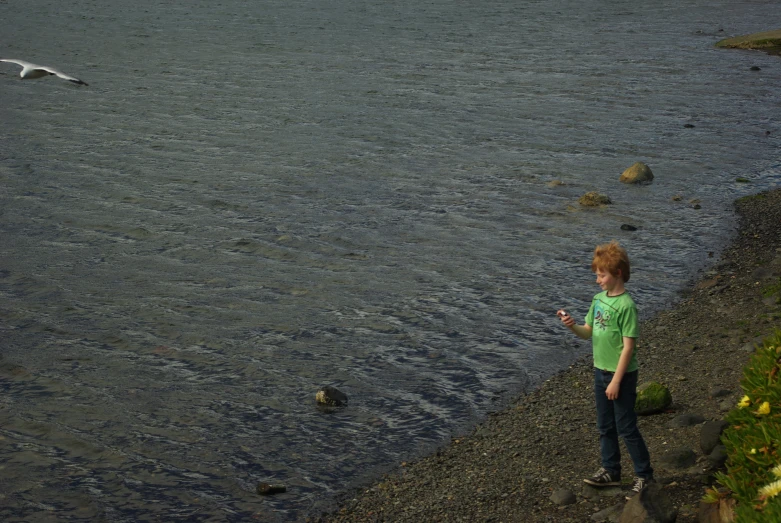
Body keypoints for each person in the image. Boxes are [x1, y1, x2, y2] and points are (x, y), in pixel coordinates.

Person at [557, 240, 654, 500]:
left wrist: (616, 382)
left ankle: (644, 476)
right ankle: (611, 470)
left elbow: (628, 348)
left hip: (620, 376)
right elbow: (588, 333)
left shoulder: (627, 306)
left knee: (626, 427)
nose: (598, 280)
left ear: (618, 274)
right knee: (604, 426)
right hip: (600, 371)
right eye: (597, 275)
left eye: (602, 275)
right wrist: (571, 326)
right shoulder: (598, 300)